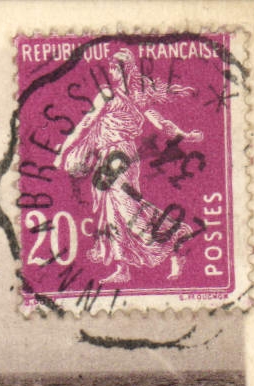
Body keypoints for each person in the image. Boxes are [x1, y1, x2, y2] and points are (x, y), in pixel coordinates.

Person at [53, 48, 203, 284]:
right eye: (113, 67)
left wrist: (186, 134)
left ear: (127, 70)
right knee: (112, 210)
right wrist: (65, 151)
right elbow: (85, 125)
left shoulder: (128, 96)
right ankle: (123, 268)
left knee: (127, 208)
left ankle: (173, 243)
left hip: (120, 155)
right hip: (109, 157)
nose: (115, 72)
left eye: (119, 67)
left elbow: (160, 123)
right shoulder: (115, 97)